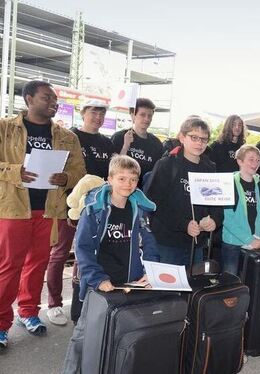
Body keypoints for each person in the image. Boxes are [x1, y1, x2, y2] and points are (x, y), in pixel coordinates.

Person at [0, 80, 85, 349]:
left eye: (55, 99)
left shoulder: (66, 136)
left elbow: (79, 172)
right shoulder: (5, 129)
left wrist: (66, 177)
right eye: (46, 98)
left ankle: (28, 312)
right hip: (13, 208)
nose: (53, 103)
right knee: (9, 266)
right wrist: (15, 171)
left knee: (37, 264)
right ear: (28, 99)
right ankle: (1, 323)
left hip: (49, 210)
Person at [61, 155, 159, 373]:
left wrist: (151, 273)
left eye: (133, 179)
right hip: (100, 285)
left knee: (120, 333)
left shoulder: (139, 210)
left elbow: (150, 243)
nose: (127, 184)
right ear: (110, 179)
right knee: (83, 336)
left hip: (129, 283)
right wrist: (98, 279)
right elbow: (83, 247)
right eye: (122, 178)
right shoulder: (94, 210)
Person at [46, 99, 114, 327]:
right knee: (60, 254)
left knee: (89, 254)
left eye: (102, 113)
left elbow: (111, 174)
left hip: (98, 208)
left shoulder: (107, 142)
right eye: (93, 112)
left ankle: (82, 298)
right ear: (83, 113)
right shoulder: (70, 136)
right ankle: (54, 303)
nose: (98, 117)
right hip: (70, 205)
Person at [146, 117, 222, 266]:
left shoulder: (210, 168)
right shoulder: (166, 165)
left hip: (197, 244)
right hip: (168, 243)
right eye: (194, 137)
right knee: (167, 289)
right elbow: (154, 204)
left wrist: (214, 220)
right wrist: (184, 224)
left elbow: (217, 204)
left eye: (204, 139)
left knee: (193, 288)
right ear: (182, 137)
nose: (199, 143)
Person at [221, 145, 260, 275]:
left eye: (258, 160)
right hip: (233, 243)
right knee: (230, 284)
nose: (255, 163)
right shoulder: (228, 184)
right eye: (251, 159)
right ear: (240, 161)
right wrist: (249, 240)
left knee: (251, 283)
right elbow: (226, 219)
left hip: (255, 242)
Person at [111, 98, 162, 187]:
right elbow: (113, 167)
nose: (146, 119)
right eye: (142, 115)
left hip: (144, 191)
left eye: (149, 116)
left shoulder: (156, 143)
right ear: (133, 115)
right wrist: (125, 146)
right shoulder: (119, 137)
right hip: (122, 187)